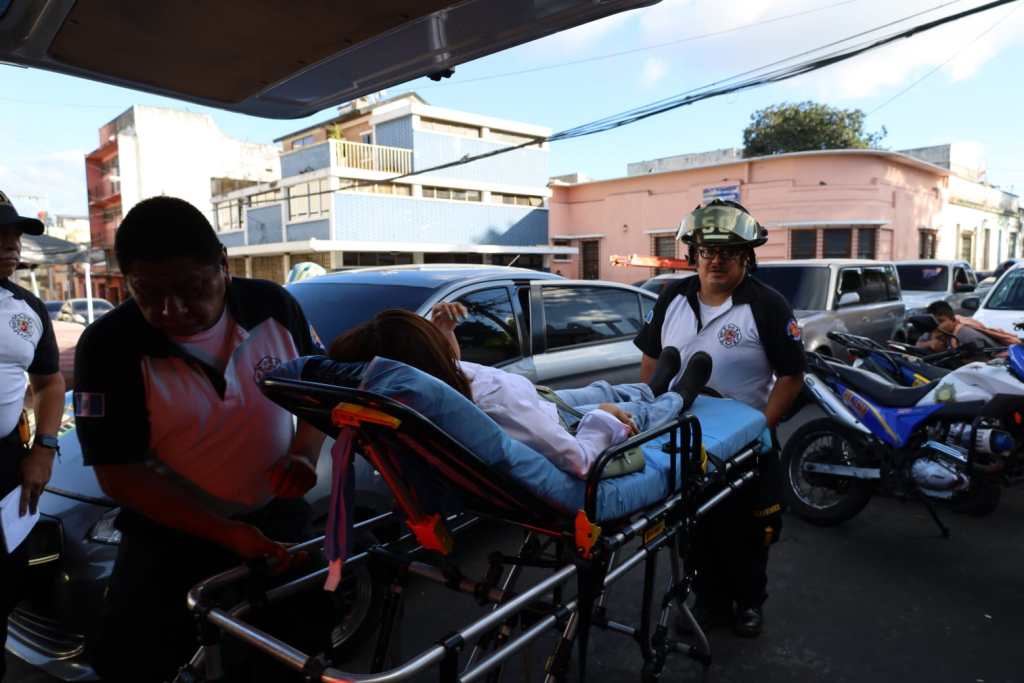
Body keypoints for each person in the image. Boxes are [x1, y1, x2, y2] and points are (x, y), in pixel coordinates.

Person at [73, 197, 325, 682]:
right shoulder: (110, 346)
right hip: (170, 533)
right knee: (140, 665)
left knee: (291, 655)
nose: (171, 309)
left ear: (223, 267)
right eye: (147, 293)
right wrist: (226, 532)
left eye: (191, 288)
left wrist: (304, 453)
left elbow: (316, 393)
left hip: (277, 520)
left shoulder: (273, 307)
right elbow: (119, 474)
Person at [633, 199, 805, 638]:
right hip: (685, 440)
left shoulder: (767, 305)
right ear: (694, 254)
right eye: (707, 251)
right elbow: (652, 363)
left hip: (746, 442)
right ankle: (708, 602)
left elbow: (790, 376)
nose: (716, 260)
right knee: (695, 529)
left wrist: (762, 425)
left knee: (748, 532)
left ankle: (748, 603)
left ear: (745, 255)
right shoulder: (672, 297)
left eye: (728, 251)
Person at [323, 305, 686, 479]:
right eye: (433, 341)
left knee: (602, 387)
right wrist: (602, 418)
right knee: (631, 411)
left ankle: (650, 387)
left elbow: (450, 372)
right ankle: (678, 395)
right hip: (546, 419)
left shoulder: (421, 392)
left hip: (538, 402)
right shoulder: (497, 407)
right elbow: (578, 459)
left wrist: (443, 333)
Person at [0, 190, 65, 682]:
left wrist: (44, 448)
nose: (11, 245)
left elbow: (49, 383)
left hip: (5, 465)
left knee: (5, 583)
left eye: (14, 235)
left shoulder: (27, 308)